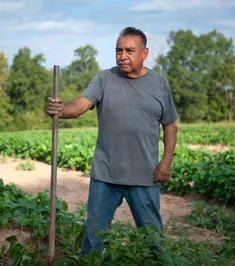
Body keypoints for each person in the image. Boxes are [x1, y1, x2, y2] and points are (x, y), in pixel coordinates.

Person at [46, 26, 178, 256]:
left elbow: (170, 125)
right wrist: (61, 110)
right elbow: (82, 104)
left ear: (144, 53)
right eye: (118, 50)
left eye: (129, 50)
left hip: (144, 175)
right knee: (93, 237)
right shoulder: (104, 79)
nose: (122, 56)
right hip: (105, 175)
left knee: (153, 240)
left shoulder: (160, 84)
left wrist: (166, 162)